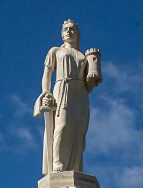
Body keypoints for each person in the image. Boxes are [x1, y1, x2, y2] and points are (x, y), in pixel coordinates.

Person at [34, 20, 102, 174]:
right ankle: (57, 161)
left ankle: (75, 165)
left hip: (81, 92)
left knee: (79, 129)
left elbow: (89, 86)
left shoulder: (83, 56)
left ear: (78, 33)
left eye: (72, 29)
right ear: (61, 33)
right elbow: (46, 75)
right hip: (62, 88)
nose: (68, 32)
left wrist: (92, 77)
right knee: (62, 125)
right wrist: (46, 92)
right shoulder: (55, 51)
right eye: (65, 29)